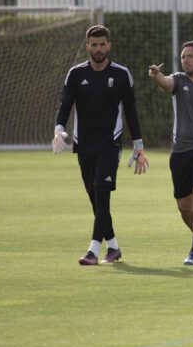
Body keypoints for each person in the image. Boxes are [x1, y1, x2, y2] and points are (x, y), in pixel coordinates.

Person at [54, 25, 149, 266]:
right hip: (83, 144)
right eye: (93, 45)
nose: (98, 49)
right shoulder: (75, 74)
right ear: (87, 47)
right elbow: (65, 106)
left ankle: (93, 251)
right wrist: (58, 131)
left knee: (102, 193)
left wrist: (139, 146)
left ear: (109, 46)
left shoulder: (121, 74)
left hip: (110, 144)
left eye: (102, 44)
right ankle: (114, 247)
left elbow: (131, 112)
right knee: (94, 198)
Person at [148, 40, 193, 265]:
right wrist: (155, 75)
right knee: (183, 206)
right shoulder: (178, 80)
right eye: (183, 57)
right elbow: (165, 83)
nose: (186, 60)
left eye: (190, 56)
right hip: (180, 153)